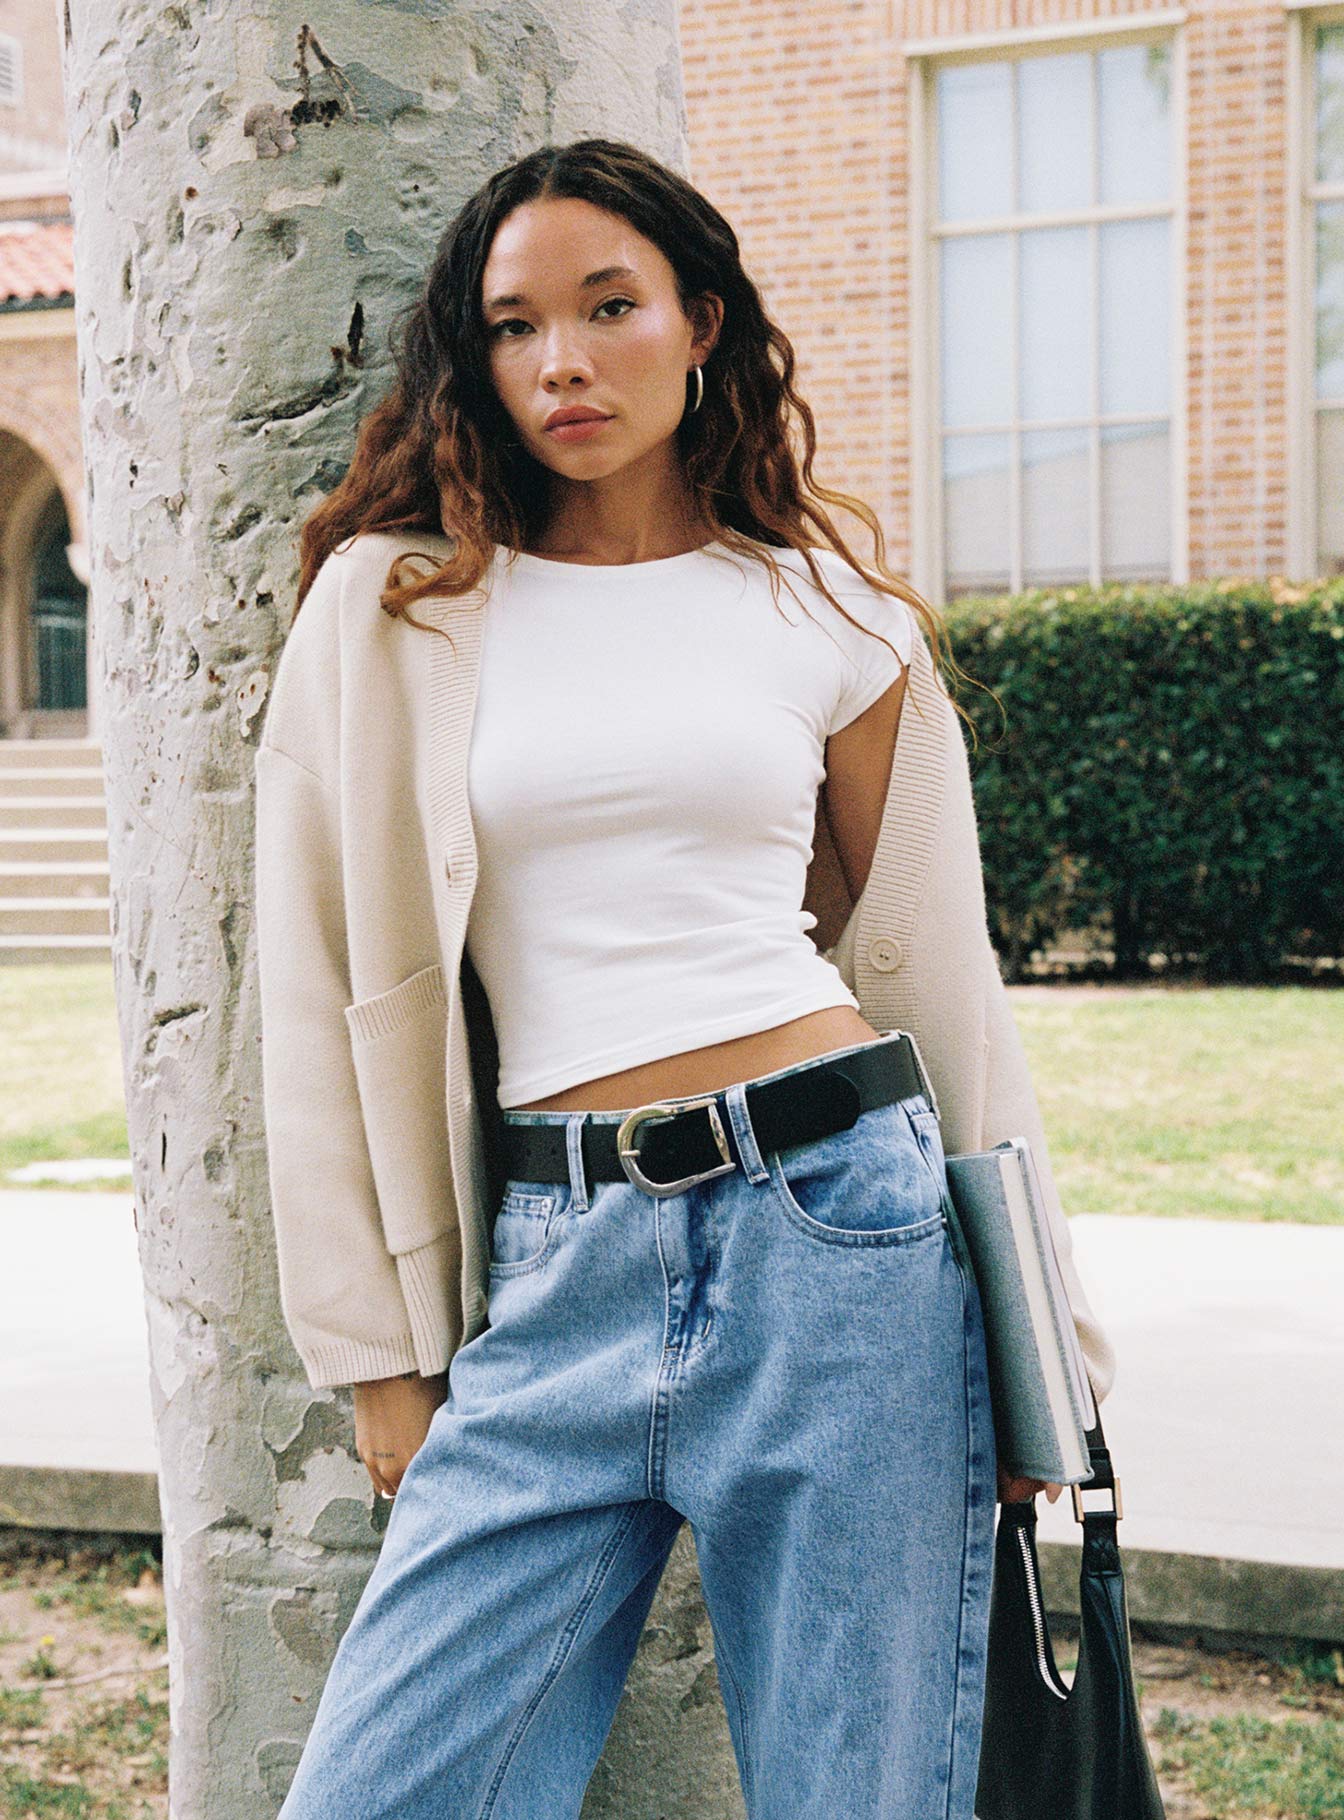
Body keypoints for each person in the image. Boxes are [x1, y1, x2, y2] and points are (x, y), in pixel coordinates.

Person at [256, 137, 1115, 1819]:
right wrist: (380, 1355)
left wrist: (1042, 1354)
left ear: (701, 322)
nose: (560, 362)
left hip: (844, 1234)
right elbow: (312, 986)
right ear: (473, 356)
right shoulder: (396, 606)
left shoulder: (828, 611)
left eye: (608, 307)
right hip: (552, 1259)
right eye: (513, 326)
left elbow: (948, 1000)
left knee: (860, 1795)